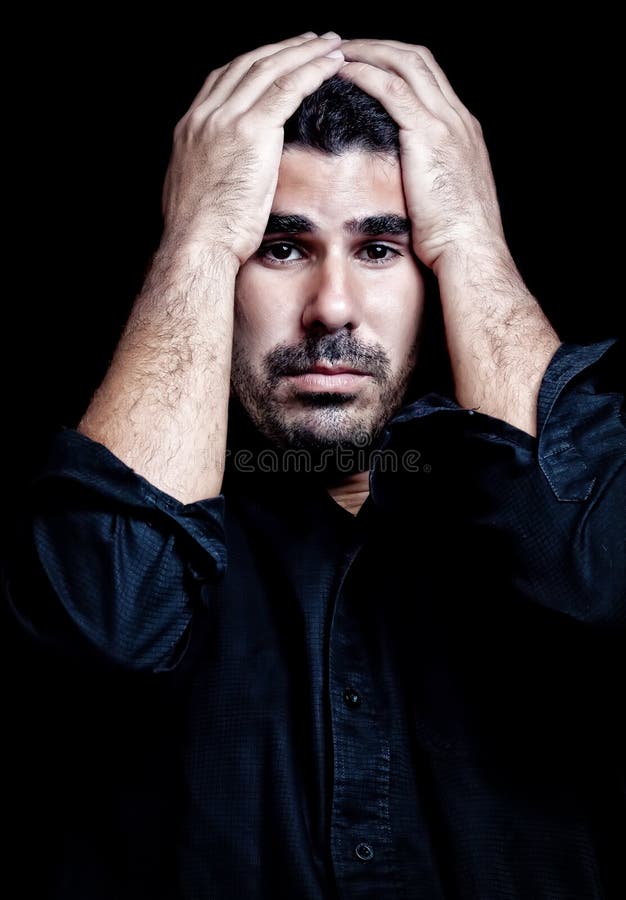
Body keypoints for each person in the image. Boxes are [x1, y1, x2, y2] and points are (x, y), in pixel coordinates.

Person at [4, 31, 624, 900]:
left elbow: (594, 577)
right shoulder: (113, 512)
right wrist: (197, 237)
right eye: (280, 248)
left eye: (382, 250)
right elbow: (108, 626)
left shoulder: (526, 511)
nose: (331, 306)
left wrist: (473, 236)